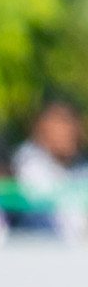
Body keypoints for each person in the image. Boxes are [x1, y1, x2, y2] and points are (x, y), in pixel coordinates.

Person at [12, 101, 87, 241]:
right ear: (42, 127)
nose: (70, 131)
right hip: (36, 250)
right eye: (62, 123)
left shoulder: (82, 168)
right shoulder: (26, 163)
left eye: (72, 123)